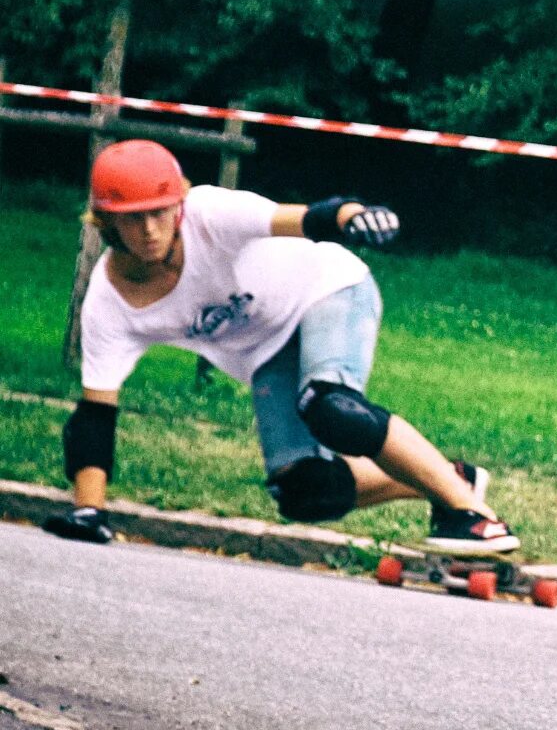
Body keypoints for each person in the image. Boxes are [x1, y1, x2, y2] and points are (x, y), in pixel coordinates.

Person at [48, 140, 512, 556]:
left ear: (179, 204)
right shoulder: (108, 304)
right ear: (106, 220)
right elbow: (95, 417)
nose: (151, 229)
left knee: (332, 408)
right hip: (269, 350)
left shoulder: (209, 214)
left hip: (327, 289)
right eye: (134, 218)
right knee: (305, 491)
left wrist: (355, 217)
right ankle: (453, 478)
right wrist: (90, 512)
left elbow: (309, 217)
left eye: (161, 211)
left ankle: (471, 516)